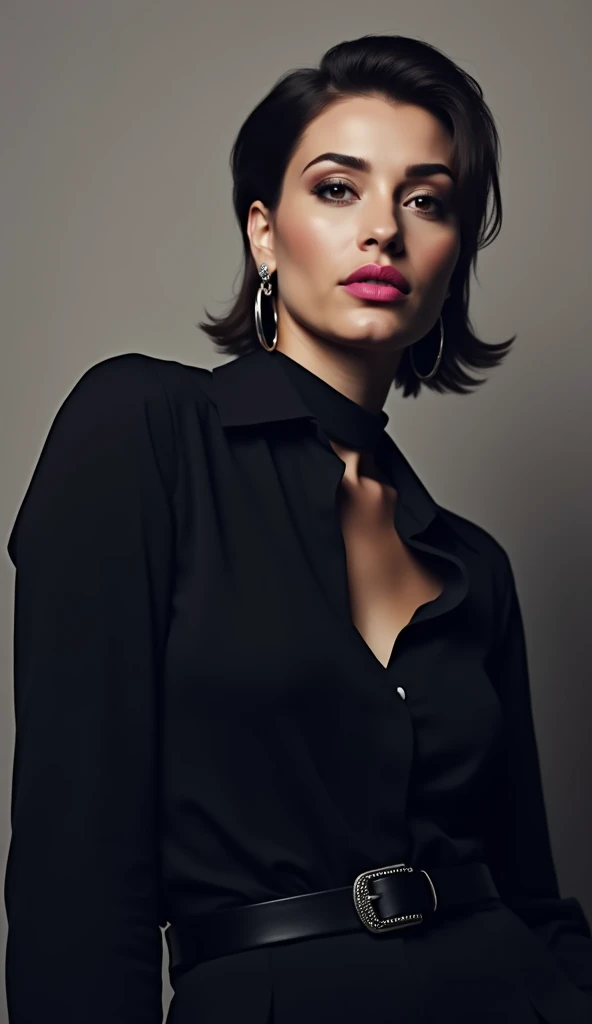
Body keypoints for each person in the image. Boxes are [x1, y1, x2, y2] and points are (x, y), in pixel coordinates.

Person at [4, 32, 592, 1024]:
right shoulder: (141, 434)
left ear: (451, 259)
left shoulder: (473, 567)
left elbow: (530, 890)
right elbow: (74, 872)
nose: (384, 232)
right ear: (264, 232)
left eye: (426, 199)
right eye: (338, 188)